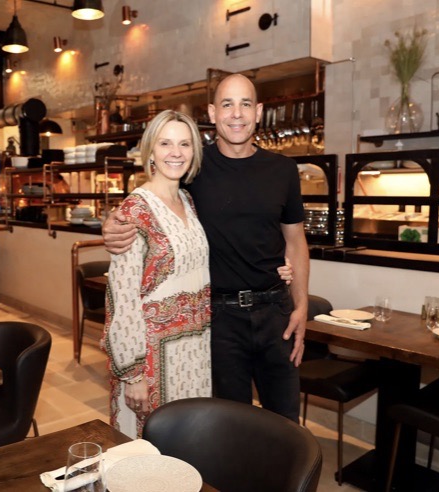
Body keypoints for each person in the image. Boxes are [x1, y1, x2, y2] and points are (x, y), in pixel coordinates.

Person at [103, 74, 309, 422]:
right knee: (230, 424)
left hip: (275, 311)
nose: (237, 114)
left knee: (286, 420)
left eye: (246, 104)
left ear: (259, 111)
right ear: (213, 112)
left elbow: (296, 241)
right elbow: (152, 196)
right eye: (227, 104)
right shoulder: (193, 168)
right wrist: (112, 222)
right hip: (220, 317)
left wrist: (301, 305)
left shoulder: (283, 170)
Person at [101, 109, 211, 439]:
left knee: (189, 448)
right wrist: (133, 374)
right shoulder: (134, 210)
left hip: (194, 353)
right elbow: (121, 298)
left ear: (194, 153)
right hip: (151, 361)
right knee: (149, 456)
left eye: (184, 144)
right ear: (150, 151)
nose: (175, 152)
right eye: (165, 143)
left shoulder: (187, 200)